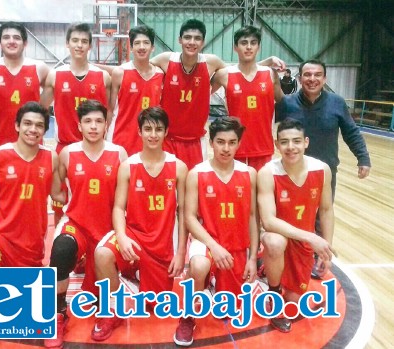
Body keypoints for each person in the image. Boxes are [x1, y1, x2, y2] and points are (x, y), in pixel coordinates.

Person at [93, 106, 188, 342]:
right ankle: (112, 309)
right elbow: (118, 207)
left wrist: (181, 253)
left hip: (162, 247)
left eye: (158, 129)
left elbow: (184, 212)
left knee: (155, 307)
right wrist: (122, 237)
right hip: (134, 236)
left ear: (166, 132)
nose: (153, 135)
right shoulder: (128, 166)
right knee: (103, 253)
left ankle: (136, 276)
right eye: (147, 129)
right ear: (139, 131)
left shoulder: (179, 168)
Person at [0, 102, 62, 349]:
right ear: (17, 126)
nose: (33, 129)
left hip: (33, 239)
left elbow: (58, 194)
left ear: (46, 130)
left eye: (40, 126)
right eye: (28, 124)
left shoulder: (51, 157)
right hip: (1, 232)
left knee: (31, 313)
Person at [275, 59, 371, 278]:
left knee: (320, 217)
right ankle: (286, 259)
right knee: (288, 217)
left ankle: (319, 257)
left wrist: (363, 157)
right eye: (307, 75)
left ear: (324, 79)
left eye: (317, 75)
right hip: (290, 173)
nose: (312, 79)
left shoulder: (336, 103)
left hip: (324, 174)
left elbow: (351, 131)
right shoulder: (287, 103)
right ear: (299, 79)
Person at [46, 100, 127, 348]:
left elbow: (125, 199)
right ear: (79, 125)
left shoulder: (119, 154)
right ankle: (59, 314)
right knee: (61, 250)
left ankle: (110, 312)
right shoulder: (67, 153)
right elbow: (57, 191)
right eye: (88, 121)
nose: (93, 126)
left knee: (95, 296)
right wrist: (70, 200)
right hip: (78, 225)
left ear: (106, 124)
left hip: (108, 231)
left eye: (99, 121)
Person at [151, 20, 284, 170]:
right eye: (187, 37)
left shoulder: (212, 62)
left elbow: (240, 71)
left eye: (197, 38)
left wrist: (267, 62)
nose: (192, 42)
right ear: (179, 40)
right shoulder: (165, 59)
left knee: (197, 187)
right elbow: (141, 66)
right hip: (168, 138)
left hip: (196, 140)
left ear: (203, 42)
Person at [174, 116, 258, 346]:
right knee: (199, 265)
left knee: (227, 311)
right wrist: (214, 246)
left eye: (232, 142)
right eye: (220, 142)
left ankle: (215, 283)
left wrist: (252, 258)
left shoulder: (249, 174)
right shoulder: (197, 173)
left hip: (237, 245)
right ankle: (187, 317)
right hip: (208, 241)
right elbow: (190, 217)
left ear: (239, 144)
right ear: (211, 143)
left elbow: (252, 216)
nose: (226, 148)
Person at [257, 118, 335, 333]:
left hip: (302, 243)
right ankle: (273, 292)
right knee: (274, 242)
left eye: (296, 141)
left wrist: (326, 249)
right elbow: (269, 221)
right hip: (279, 236)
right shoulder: (267, 172)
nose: (291, 147)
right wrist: (311, 237)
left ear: (306, 142)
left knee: (294, 304)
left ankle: (268, 269)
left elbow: (327, 210)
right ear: (276, 145)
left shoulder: (322, 170)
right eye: (284, 142)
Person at [41, 22, 111, 225]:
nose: (79, 45)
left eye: (84, 41)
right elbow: (41, 109)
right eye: (75, 41)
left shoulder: (102, 77)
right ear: (67, 44)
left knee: (95, 201)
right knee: (60, 203)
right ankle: (61, 240)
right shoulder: (55, 75)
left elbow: (109, 112)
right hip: (65, 148)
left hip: (95, 150)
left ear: (90, 46)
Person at [212, 25, 284, 171]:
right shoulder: (224, 75)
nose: (249, 47)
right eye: (244, 43)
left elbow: (284, 102)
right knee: (236, 193)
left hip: (263, 147)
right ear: (235, 47)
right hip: (233, 146)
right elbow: (199, 94)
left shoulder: (270, 74)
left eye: (253, 43)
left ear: (258, 47)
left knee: (261, 193)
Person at [0, 21, 50, 149]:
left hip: (32, 142)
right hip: (0, 142)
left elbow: (50, 93)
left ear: (25, 43)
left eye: (17, 38)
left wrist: (41, 109)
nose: (11, 41)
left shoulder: (39, 68)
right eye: (6, 37)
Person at [107, 25, 164, 155]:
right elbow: (110, 109)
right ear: (131, 48)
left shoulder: (160, 75)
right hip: (120, 138)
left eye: (146, 43)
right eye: (137, 43)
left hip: (149, 139)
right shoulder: (120, 73)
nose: (142, 47)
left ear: (153, 47)